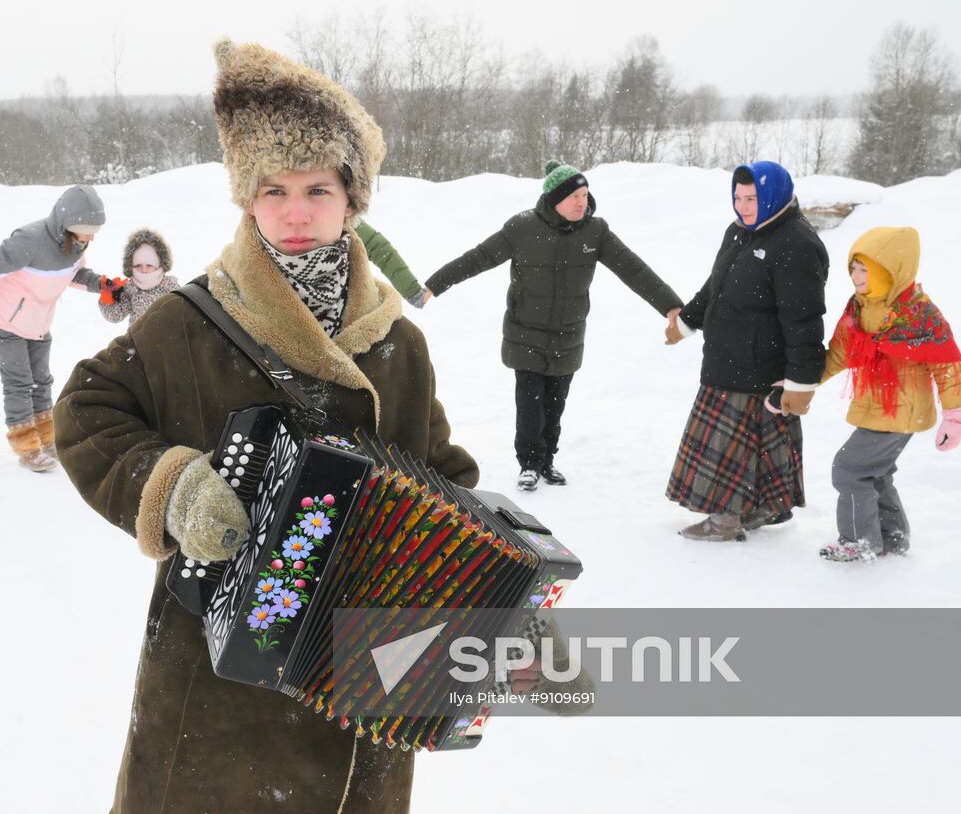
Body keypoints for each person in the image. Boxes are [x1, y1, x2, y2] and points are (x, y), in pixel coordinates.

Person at [55, 40, 587, 814]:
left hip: (367, 681)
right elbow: (83, 411)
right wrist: (171, 487)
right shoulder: (189, 321)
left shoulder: (398, 342)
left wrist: (501, 605)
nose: (295, 213)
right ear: (247, 199)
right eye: (272, 190)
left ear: (352, 199)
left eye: (318, 188)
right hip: (215, 688)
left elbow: (441, 478)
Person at [425, 159, 682, 492]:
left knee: (555, 403)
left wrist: (671, 304)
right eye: (574, 196)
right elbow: (478, 258)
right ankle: (530, 464)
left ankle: (547, 461)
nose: (582, 202)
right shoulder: (522, 228)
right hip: (524, 332)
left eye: (585, 195)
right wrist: (435, 284)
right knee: (530, 403)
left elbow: (633, 269)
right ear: (554, 199)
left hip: (569, 335)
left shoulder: (596, 232)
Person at [665, 161, 829, 541]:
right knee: (757, 447)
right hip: (728, 358)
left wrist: (802, 381)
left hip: (759, 367)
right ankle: (767, 507)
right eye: (738, 198)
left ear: (774, 196)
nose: (743, 206)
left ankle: (724, 522)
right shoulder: (740, 231)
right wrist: (687, 322)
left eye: (752, 198)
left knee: (731, 450)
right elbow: (715, 284)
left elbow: (804, 319)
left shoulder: (797, 245)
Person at [816, 227, 961, 561]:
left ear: (891, 270)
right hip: (876, 403)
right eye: (853, 267)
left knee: (849, 468)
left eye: (865, 269)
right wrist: (800, 384)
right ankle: (892, 535)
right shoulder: (859, 307)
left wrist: (957, 416)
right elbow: (839, 355)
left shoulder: (918, 313)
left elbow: (947, 364)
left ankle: (860, 540)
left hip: (902, 409)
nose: (856, 276)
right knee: (875, 471)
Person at [0, 185, 121, 472]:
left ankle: (48, 440)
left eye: (93, 232)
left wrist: (99, 283)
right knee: (19, 382)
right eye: (86, 230)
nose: (90, 238)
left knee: (42, 380)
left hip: (38, 323)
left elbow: (72, 275)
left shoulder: (76, 245)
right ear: (66, 225)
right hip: (5, 320)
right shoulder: (29, 241)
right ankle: (27, 448)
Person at [99, 228, 181, 325]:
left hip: (165, 337)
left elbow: (182, 312)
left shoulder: (169, 286)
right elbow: (116, 315)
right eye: (138, 265)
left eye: (149, 265)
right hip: (138, 339)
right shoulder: (131, 287)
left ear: (160, 264)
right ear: (131, 265)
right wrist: (107, 299)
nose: (144, 270)